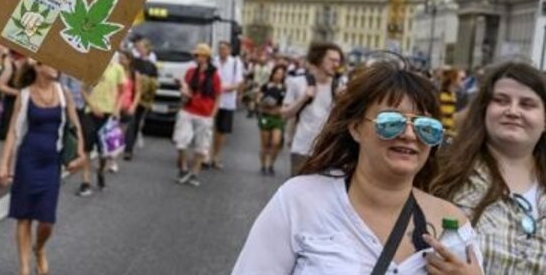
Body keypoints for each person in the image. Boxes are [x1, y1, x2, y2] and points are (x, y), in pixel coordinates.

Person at [232, 57, 483, 275]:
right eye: (391, 122)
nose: (409, 135)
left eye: (425, 127)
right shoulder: (299, 201)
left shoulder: (452, 224)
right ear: (355, 128)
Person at [431, 61, 546, 274]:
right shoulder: (443, 173)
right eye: (501, 101)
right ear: (484, 110)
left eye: (527, 104)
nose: (513, 111)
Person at [0, 60, 87, 275]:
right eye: (51, 64)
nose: (57, 67)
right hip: (27, 161)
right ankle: (24, 268)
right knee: (24, 216)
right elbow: (13, 132)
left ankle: (39, 248)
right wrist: (3, 164)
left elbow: (75, 125)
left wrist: (80, 154)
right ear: (38, 67)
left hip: (51, 163)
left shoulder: (64, 93)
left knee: (47, 220)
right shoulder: (25, 94)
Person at [281, 42, 344, 175]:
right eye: (332, 60)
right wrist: (303, 98)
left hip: (327, 152)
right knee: (298, 187)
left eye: (338, 61)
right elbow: (284, 114)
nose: (336, 65)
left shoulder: (339, 87)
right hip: (301, 149)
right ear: (319, 59)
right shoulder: (297, 82)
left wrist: (343, 102)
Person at [79, 54, 129, 193]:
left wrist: (117, 109)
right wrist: (92, 106)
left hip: (108, 113)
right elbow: (83, 89)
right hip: (91, 112)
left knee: (104, 149)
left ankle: (101, 171)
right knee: (87, 147)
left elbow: (122, 91)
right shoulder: (92, 67)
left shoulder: (117, 68)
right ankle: (85, 181)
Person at [174, 43, 221, 187]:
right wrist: (183, 92)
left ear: (206, 57)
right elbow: (186, 91)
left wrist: (213, 114)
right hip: (188, 110)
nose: (197, 58)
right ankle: (183, 168)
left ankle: (194, 173)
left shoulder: (214, 76)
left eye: (200, 55)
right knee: (181, 141)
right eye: (196, 55)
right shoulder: (190, 72)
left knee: (201, 146)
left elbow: (218, 96)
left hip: (205, 113)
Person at [211, 40, 244, 169]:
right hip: (212, 100)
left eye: (224, 49)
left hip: (227, 102)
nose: (222, 51)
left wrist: (221, 88)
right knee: (209, 128)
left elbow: (238, 83)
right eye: (220, 49)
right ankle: (207, 155)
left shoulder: (235, 63)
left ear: (229, 50)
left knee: (221, 131)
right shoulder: (213, 61)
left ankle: (216, 156)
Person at [124, 40, 159, 162]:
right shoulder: (135, 62)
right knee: (131, 122)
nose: (139, 49)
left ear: (147, 49)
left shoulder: (152, 66)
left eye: (141, 47)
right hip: (132, 95)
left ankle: (130, 147)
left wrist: (148, 83)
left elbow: (155, 82)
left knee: (137, 123)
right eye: (138, 47)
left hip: (144, 98)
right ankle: (127, 149)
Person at [256, 64, 287, 175]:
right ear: (272, 74)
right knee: (265, 144)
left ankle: (271, 165)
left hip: (278, 118)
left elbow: (287, 103)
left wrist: (281, 109)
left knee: (276, 142)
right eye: (277, 73)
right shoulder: (265, 86)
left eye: (281, 74)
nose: (278, 76)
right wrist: (264, 102)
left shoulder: (284, 88)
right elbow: (258, 100)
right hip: (266, 117)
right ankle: (263, 165)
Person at [0, 51, 30, 141]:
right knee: (10, 133)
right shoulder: (10, 64)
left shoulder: (31, 63)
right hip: (11, 103)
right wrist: (19, 93)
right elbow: (0, 85)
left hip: (27, 103)